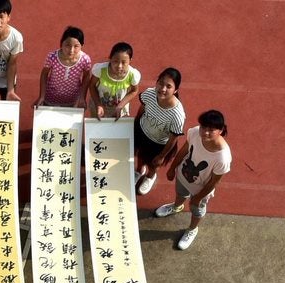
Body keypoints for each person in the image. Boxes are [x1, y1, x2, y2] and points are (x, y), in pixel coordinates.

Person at [156, 109, 232, 251]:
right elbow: (184, 151)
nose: (205, 132)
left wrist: (198, 197)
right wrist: (172, 168)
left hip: (200, 189)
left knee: (197, 211)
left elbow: (214, 182)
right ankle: (176, 207)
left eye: (211, 130)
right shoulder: (195, 132)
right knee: (180, 194)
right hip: (183, 175)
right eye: (203, 127)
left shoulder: (223, 158)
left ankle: (192, 229)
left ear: (220, 131)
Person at [132, 67, 184, 196]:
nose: (163, 89)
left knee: (153, 163)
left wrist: (162, 156)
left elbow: (173, 137)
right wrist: (136, 124)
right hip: (143, 133)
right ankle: (139, 171)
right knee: (140, 156)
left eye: (168, 86)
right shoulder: (149, 94)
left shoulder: (177, 114)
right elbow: (142, 108)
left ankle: (150, 176)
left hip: (159, 143)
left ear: (175, 90)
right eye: (161, 83)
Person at [35, 26, 90, 108]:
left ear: (82, 45)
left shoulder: (85, 60)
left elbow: (86, 77)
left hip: (73, 100)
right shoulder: (52, 57)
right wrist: (41, 96)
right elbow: (44, 74)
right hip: (50, 98)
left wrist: (82, 98)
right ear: (61, 44)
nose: (71, 50)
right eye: (68, 45)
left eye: (76, 46)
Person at [85, 41, 140, 119]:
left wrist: (120, 106)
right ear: (110, 58)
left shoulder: (133, 75)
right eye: (115, 61)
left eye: (124, 62)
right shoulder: (100, 70)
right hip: (99, 105)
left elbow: (134, 91)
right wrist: (98, 104)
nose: (119, 66)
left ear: (130, 60)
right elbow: (92, 85)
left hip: (119, 108)